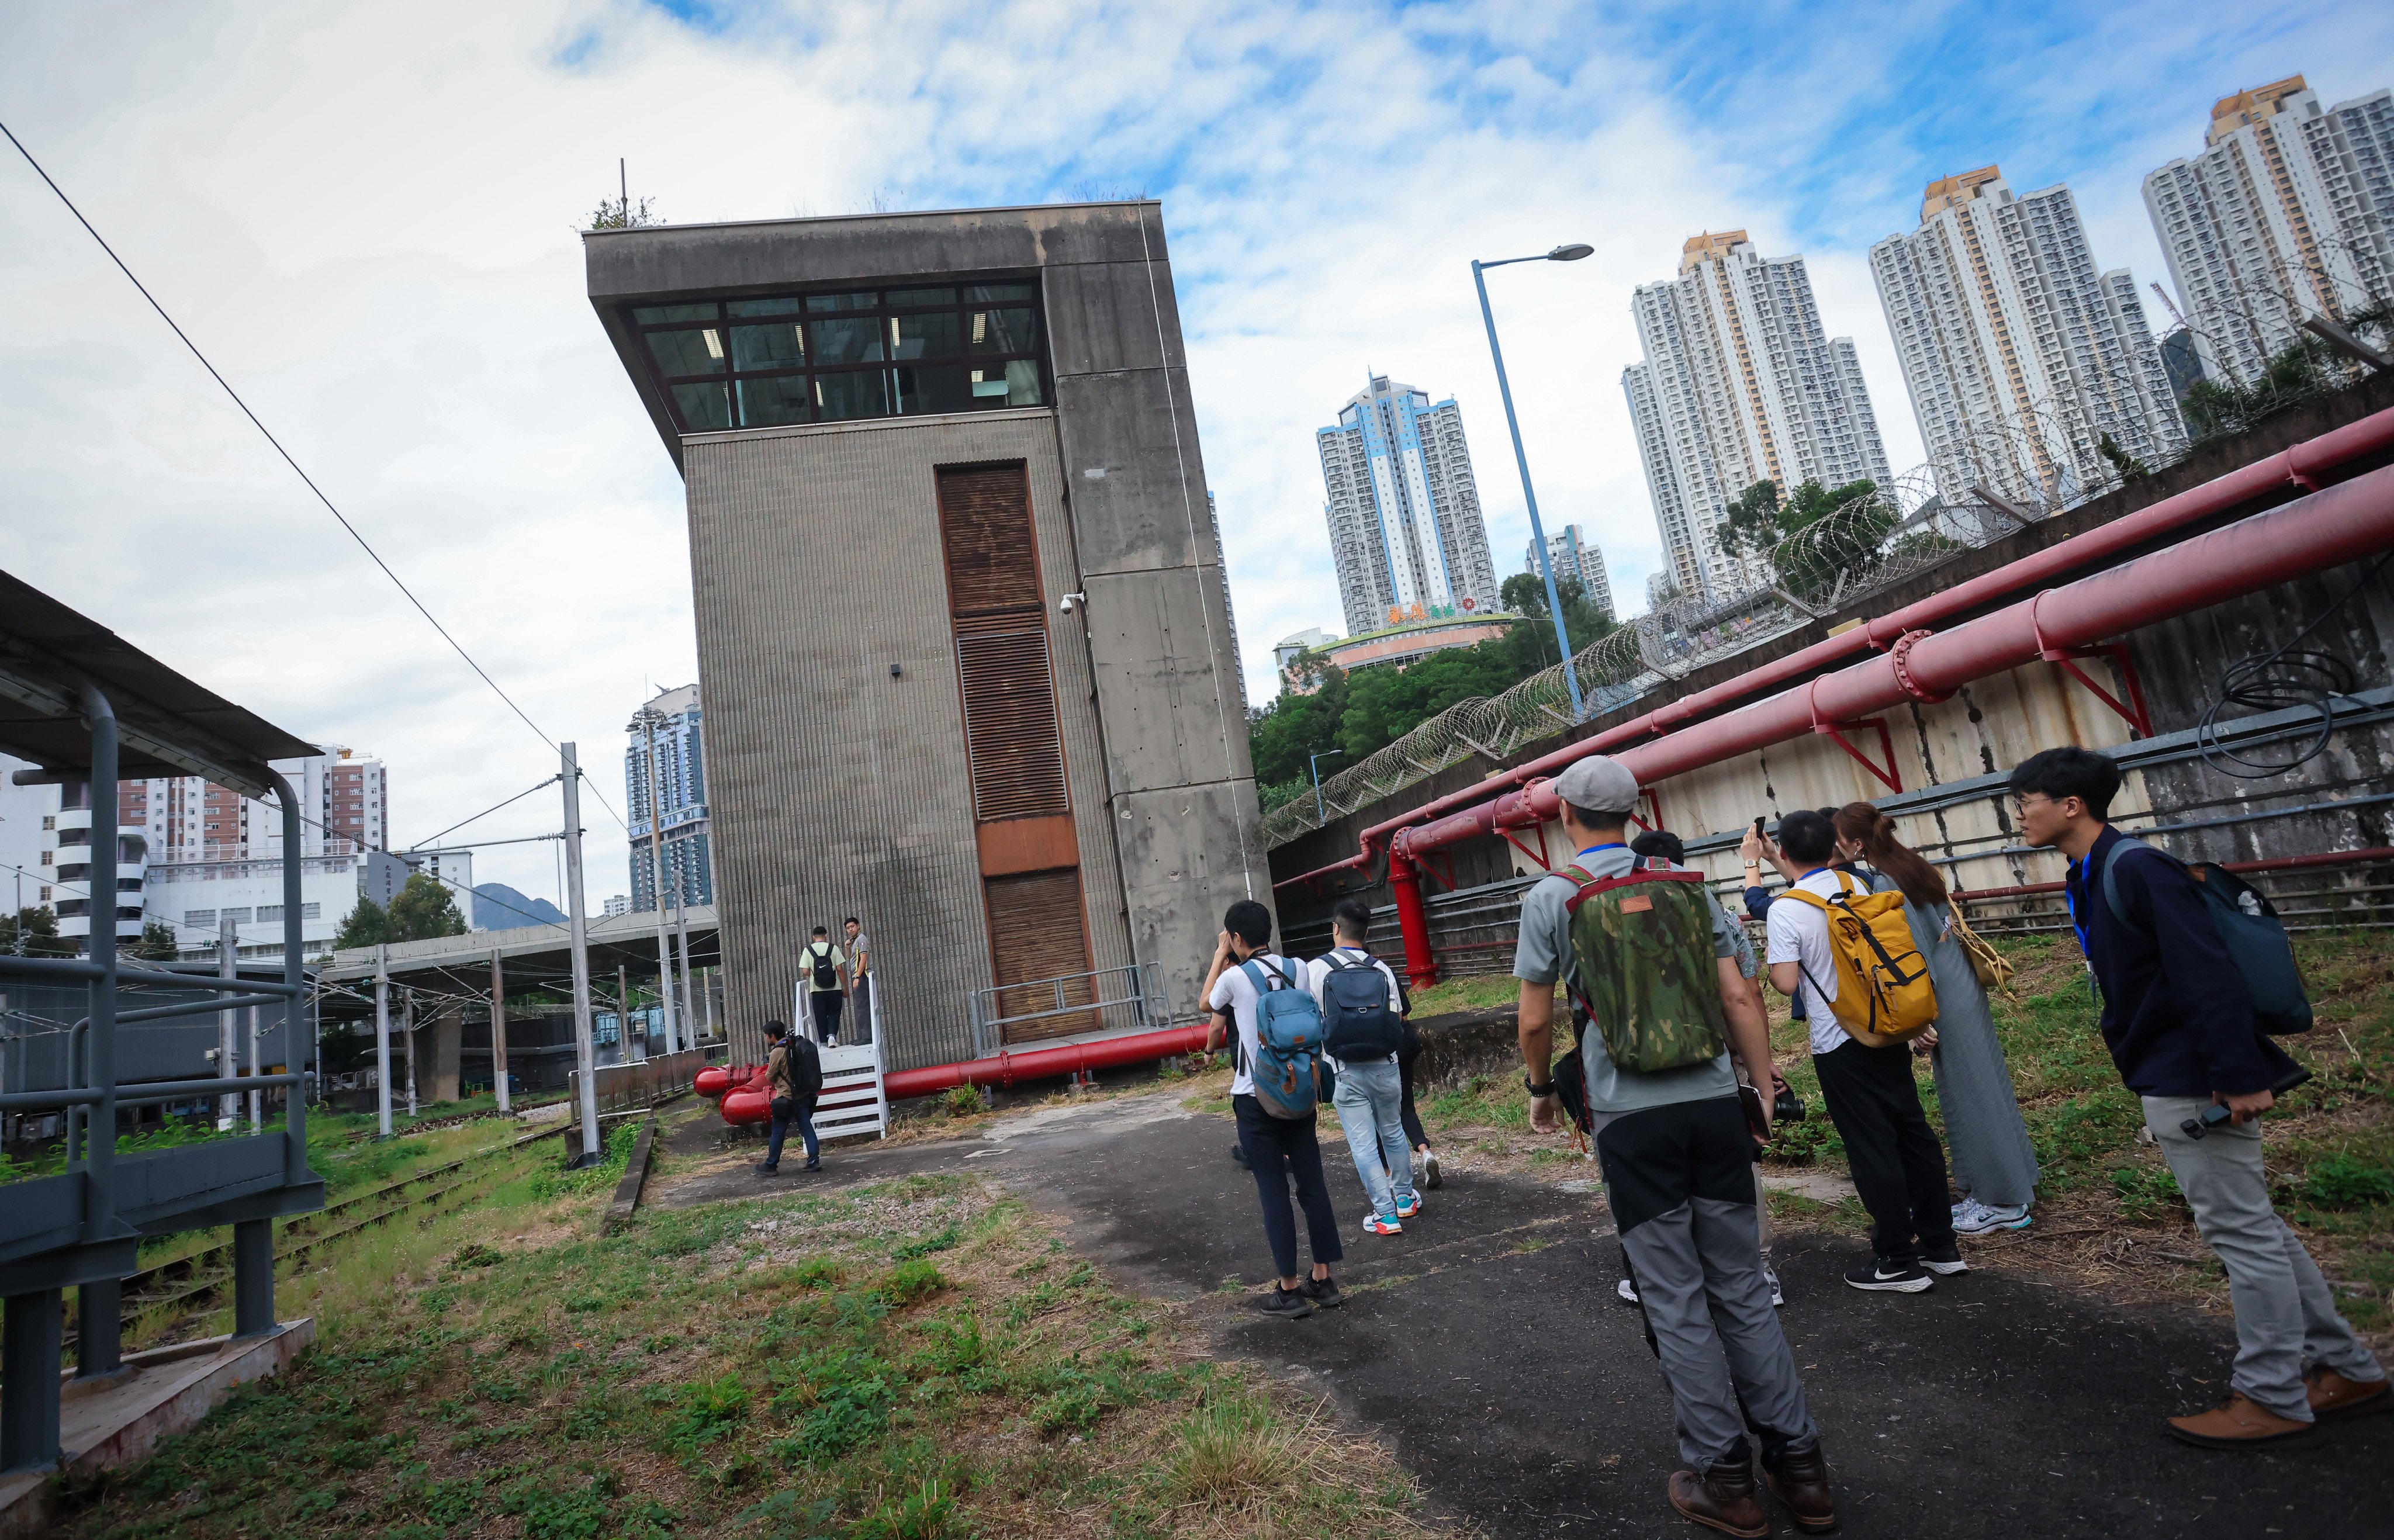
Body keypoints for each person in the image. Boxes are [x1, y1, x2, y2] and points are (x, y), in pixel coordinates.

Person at [2011, 746, 2388, 1448]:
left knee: (2242, 1235)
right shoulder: (2094, 870)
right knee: (2256, 1227)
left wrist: (2238, 1073)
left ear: (2071, 804)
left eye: (2025, 800)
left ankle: (2273, 1393)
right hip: (2170, 1066)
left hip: (2192, 1076)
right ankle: (2350, 1368)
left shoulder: (2135, 868)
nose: (2017, 815)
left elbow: (2203, 971)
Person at [1518, 756, 1834, 1536]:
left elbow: (1533, 1020)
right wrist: (1762, 1088)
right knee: (1740, 1286)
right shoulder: (1690, 889)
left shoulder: (1554, 895)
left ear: (1565, 816)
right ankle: (1802, 1470)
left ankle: (1726, 1480)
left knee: (1675, 1296)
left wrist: (1539, 1089)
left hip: (1631, 1119)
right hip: (1712, 1108)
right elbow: (1739, 992)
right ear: (1635, 810)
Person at [1764, 808, 1964, 1293]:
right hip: (1888, 1026)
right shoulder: (1857, 884)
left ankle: (1897, 1258)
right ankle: (1941, 1246)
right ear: (1835, 845)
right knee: (1911, 1131)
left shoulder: (1785, 908)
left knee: (1871, 1145)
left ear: (1783, 853)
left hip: (1841, 1041)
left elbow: (1786, 980)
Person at [1831, 802, 2038, 1234]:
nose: (1836, 846)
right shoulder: (1909, 863)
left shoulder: (1885, 880)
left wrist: (1917, 1022)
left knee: (1972, 1093)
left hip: (1943, 991)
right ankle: (2011, 1185)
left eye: (1839, 838)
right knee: (1987, 1085)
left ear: (1856, 843)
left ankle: (2003, 1202)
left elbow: (1913, 954)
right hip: (1961, 981)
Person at [1631, 829, 1786, 1309]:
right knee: (1738, 1158)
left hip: (1647, 1060)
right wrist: (1762, 1064)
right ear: (1681, 863)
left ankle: (1668, 1275)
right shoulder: (1715, 911)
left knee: (1660, 1163)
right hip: (1721, 1054)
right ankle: (1757, 1269)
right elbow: (1747, 992)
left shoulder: (1619, 914)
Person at [1203, 900, 1345, 1320]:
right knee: (1312, 1184)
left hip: (1254, 1096)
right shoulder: (1299, 967)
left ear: (1236, 938)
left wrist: (1218, 956)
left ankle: (1289, 1289)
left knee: (1273, 1190)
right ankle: (1323, 1278)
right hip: (1300, 1087)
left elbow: (1206, 1007)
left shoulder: (1232, 977)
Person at [1309, 897, 1417, 1236]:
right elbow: (1397, 1018)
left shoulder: (1317, 969)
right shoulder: (1381, 968)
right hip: (1386, 1065)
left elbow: (1310, 1019)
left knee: (1363, 1144)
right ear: (1366, 931)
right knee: (1394, 1131)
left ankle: (1385, 1216)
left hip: (1344, 1069)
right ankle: (1404, 1199)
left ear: (1336, 929)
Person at [755, 1019, 822, 1175]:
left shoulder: (777, 1052)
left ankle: (771, 1165)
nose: (766, 1039)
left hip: (785, 1097)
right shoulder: (795, 1044)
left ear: (772, 1036)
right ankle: (814, 1161)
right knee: (806, 1128)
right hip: (802, 1094)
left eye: (767, 1036)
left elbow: (770, 1076)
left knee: (778, 1131)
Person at [800, 925, 847, 1047]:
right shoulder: (833, 948)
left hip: (816, 989)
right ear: (826, 935)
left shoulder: (808, 950)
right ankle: (832, 1036)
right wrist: (845, 986)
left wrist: (814, 976)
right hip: (834, 987)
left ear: (813, 937)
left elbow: (805, 971)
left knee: (820, 1015)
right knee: (834, 1013)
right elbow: (840, 968)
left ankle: (824, 1043)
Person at [844, 917, 873, 1045]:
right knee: (860, 1007)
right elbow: (850, 959)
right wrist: (847, 948)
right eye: (848, 928)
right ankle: (862, 1036)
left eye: (852, 927)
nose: (850, 929)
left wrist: (857, 977)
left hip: (862, 977)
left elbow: (863, 959)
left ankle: (866, 1037)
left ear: (858, 926)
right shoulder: (854, 941)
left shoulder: (862, 939)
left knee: (863, 1007)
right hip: (857, 976)